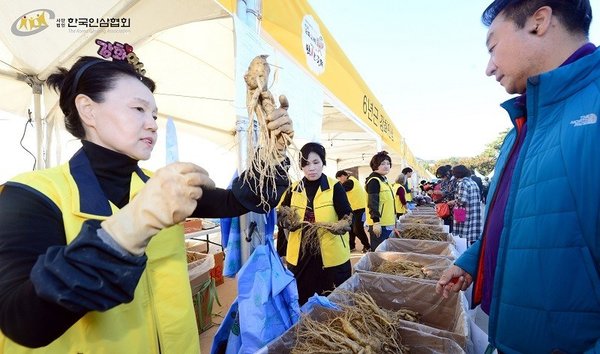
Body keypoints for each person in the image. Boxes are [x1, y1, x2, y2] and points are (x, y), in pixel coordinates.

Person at [0, 56, 294, 352]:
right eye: (138, 109)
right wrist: (132, 226)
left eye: (154, 115)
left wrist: (273, 153)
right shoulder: (31, 194)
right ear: (88, 110)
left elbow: (237, 201)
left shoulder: (161, 185)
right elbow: (21, 322)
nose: (152, 124)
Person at [436, 1, 600, 352]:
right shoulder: (520, 126)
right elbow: (516, 220)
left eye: (493, 47)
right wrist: (473, 261)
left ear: (539, 22)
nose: (488, 67)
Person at [278, 143, 352, 305]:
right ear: (301, 166)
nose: (311, 168)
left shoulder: (334, 187)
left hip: (330, 254)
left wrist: (343, 224)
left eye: (316, 162)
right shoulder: (294, 189)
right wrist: (286, 222)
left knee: (333, 299)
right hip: (301, 255)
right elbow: (281, 215)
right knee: (301, 298)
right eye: (306, 164)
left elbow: (347, 214)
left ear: (323, 163)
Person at [365, 151, 396, 251]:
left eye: (388, 163)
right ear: (375, 165)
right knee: (379, 253)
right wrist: (376, 222)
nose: (386, 166)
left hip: (387, 223)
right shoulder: (374, 181)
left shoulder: (384, 180)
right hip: (380, 225)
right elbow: (373, 202)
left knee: (386, 253)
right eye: (382, 164)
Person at [335, 170, 371, 253]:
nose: (340, 180)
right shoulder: (353, 180)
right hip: (354, 209)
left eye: (339, 178)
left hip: (360, 209)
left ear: (343, 176)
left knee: (357, 229)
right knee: (351, 228)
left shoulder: (349, 182)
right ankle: (351, 246)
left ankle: (367, 246)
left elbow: (339, 190)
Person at [447, 165, 483, 246]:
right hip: (474, 213)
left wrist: (452, 202)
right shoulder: (472, 182)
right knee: (472, 237)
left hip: (464, 214)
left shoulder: (462, 183)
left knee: (462, 238)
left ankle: (463, 254)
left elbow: (461, 201)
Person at [432, 165, 457, 233]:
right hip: (451, 208)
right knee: (450, 226)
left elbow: (460, 199)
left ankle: (454, 240)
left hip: (457, 209)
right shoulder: (449, 180)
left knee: (456, 228)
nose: (442, 178)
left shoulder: (457, 181)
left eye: (443, 176)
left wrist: (441, 193)